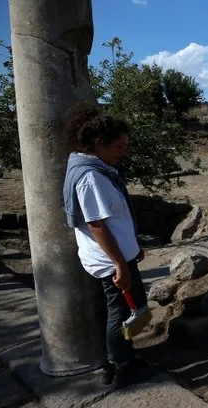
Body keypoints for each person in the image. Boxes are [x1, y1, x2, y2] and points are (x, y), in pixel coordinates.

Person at [62, 102, 150, 388]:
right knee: (121, 312)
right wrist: (121, 263)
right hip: (112, 261)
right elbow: (97, 225)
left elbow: (112, 219)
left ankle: (125, 355)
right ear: (100, 143)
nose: (122, 152)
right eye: (119, 146)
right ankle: (121, 366)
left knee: (129, 308)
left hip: (121, 256)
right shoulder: (91, 177)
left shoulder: (92, 169)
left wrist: (132, 248)